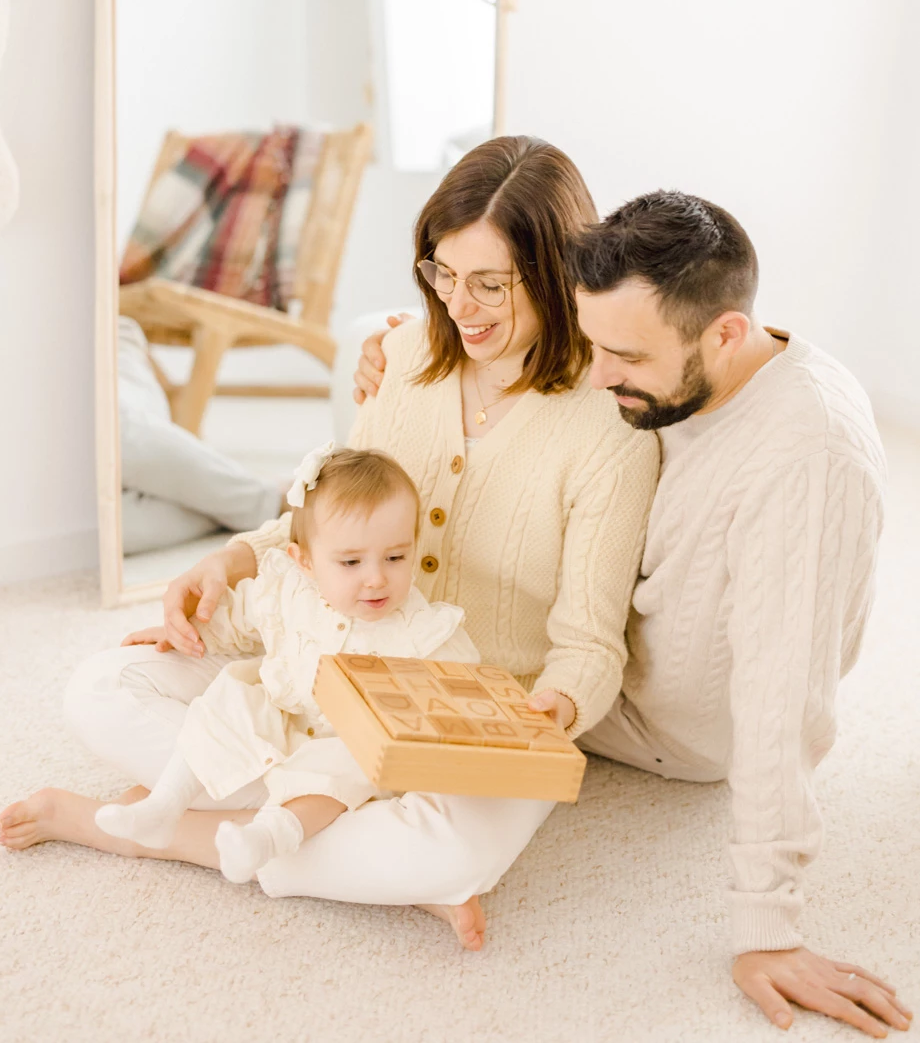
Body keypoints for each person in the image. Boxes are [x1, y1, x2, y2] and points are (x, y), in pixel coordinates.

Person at [0, 136, 659, 952]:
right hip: (313, 667)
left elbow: (590, 646)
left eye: (492, 283)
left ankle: (153, 826)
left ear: (558, 271)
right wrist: (229, 562)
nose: (462, 307)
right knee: (101, 688)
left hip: (463, 717)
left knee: (455, 846)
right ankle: (333, 828)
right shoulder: (405, 360)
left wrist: (544, 717)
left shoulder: (608, 429)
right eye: (442, 275)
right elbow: (324, 521)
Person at [355, 188, 911, 1038]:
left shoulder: (806, 465)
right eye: (594, 343)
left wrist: (769, 930)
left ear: (725, 333)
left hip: (654, 723)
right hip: (603, 622)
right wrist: (417, 339)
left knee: (363, 698)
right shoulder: (684, 344)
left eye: (623, 358)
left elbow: (781, 701)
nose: (597, 373)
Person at [97, 444, 479, 882]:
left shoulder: (419, 627)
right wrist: (183, 631)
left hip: (345, 741)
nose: (376, 577)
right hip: (282, 713)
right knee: (229, 700)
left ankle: (265, 839)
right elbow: (235, 618)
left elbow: (461, 679)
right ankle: (163, 806)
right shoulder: (288, 588)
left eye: (395, 558)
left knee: (347, 771)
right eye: (351, 562)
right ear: (305, 561)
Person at [118, 316, 280, 552]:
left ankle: (258, 501)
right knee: (99, 530)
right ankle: (253, 502)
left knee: (111, 431)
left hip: (97, 353)